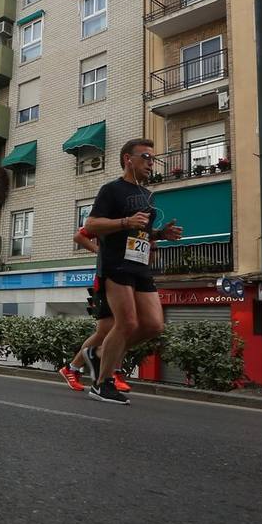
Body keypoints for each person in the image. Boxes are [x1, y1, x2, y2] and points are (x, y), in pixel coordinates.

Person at [83, 139, 184, 404]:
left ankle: (99, 353)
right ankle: (101, 384)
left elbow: (142, 233)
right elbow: (91, 225)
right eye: (146, 157)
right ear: (129, 159)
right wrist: (125, 221)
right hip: (116, 263)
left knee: (153, 325)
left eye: (153, 158)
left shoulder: (148, 196)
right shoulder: (111, 190)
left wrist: (161, 234)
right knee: (127, 323)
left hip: (140, 265)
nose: (152, 163)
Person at [58, 227, 120, 392]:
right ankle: (74, 368)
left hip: (126, 281)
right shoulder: (108, 217)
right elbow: (79, 235)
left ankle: (76, 368)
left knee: (123, 327)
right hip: (106, 282)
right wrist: (100, 251)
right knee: (106, 331)